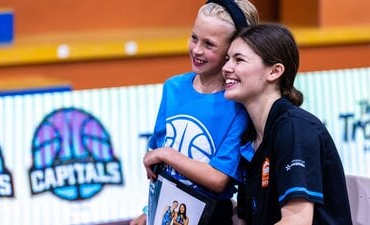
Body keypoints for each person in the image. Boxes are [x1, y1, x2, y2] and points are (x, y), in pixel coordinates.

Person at [129, 1, 259, 225]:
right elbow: (159, 168)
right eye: (194, 38)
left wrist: (166, 154)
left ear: (231, 50)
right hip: (166, 210)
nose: (197, 50)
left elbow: (218, 179)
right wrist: (148, 211)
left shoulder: (237, 103)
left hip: (212, 217)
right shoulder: (173, 88)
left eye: (209, 44)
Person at [222, 23, 353, 224]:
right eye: (227, 59)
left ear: (274, 72)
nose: (226, 68)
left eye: (239, 60)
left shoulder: (295, 128)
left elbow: (297, 221)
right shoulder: (250, 136)